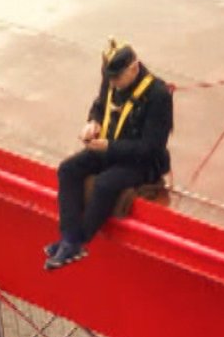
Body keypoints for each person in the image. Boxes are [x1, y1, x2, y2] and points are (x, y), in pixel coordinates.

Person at [45, 39, 172, 270]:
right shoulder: (112, 80)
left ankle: (80, 239)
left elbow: (151, 147)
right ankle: (68, 237)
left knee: (105, 184)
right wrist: (92, 123)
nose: (113, 83)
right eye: (110, 78)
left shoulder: (158, 95)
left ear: (134, 68)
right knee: (68, 170)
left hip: (141, 161)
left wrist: (109, 147)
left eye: (117, 78)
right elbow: (100, 105)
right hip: (108, 147)